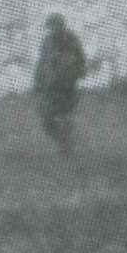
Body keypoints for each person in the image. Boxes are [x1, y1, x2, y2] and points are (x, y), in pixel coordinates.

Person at [32, 14, 90, 154]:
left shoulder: (71, 40)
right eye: (51, 27)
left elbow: (80, 61)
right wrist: (37, 83)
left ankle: (66, 145)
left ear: (62, 26)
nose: (53, 30)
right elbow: (41, 63)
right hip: (50, 85)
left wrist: (75, 74)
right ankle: (64, 141)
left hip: (67, 85)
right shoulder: (47, 42)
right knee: (46, 118)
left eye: (55, 26)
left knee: (64, 116)